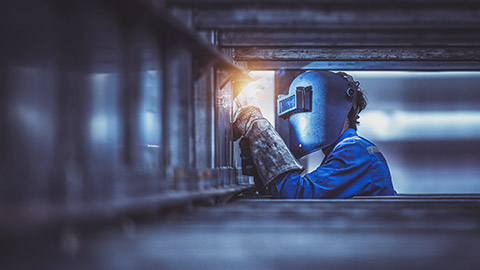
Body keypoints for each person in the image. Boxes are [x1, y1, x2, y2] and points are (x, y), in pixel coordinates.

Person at [233, 71, 396, 199]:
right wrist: (265, 173)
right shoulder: (344, 152)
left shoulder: (354, 150)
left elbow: (297, 193)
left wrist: (256, 126)